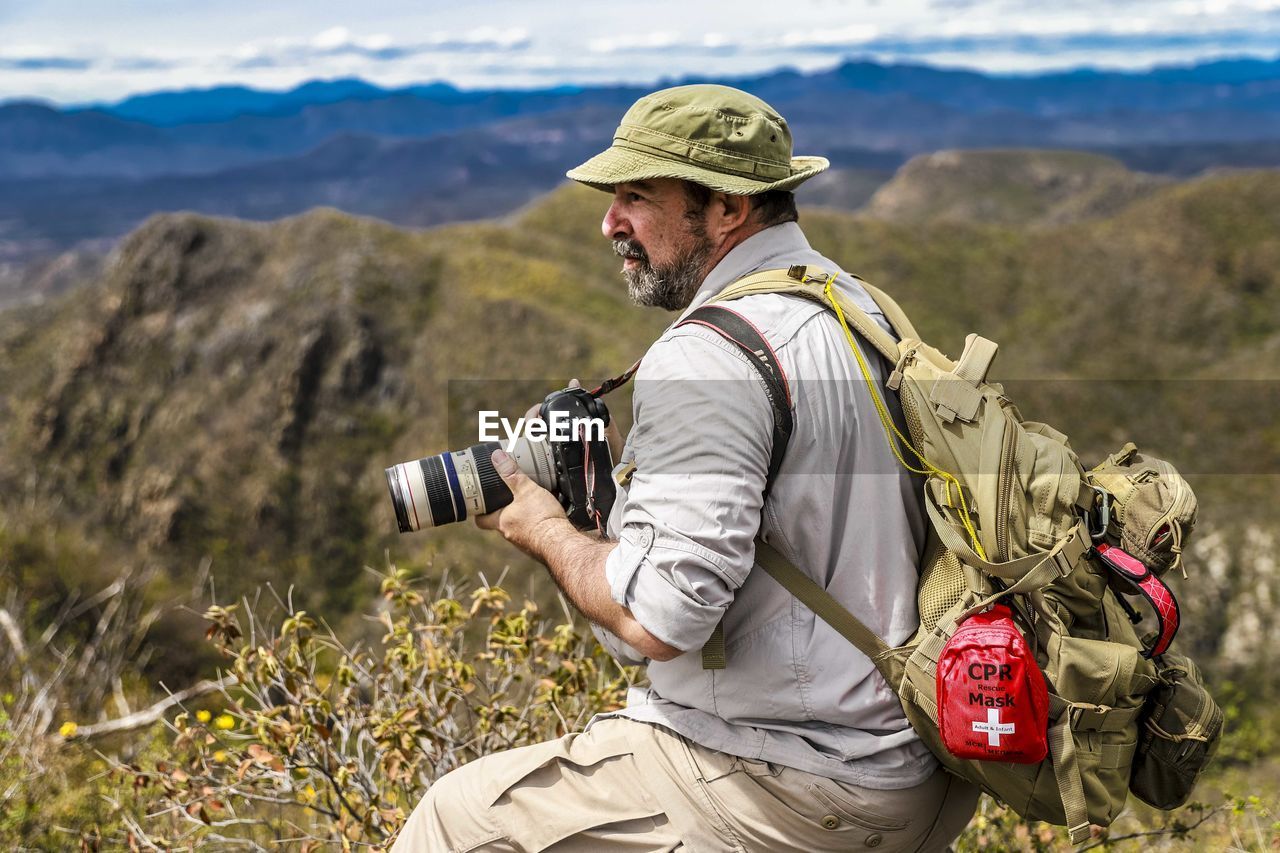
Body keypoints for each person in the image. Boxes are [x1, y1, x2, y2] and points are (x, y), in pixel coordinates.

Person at [392, 84, 979, 852]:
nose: (610, 223)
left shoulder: (708, 357)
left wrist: (545, 528)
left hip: (799, 780)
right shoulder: (852, 303)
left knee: (455, 817)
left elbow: (658, 622)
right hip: (919, 770)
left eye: (637, 195)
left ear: (729, 207)